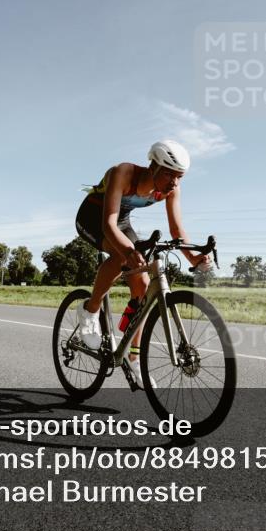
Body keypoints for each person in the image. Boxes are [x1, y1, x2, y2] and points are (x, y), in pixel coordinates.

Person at [74, 140, 210, 389]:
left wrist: (194, 257)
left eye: (179, 177)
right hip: (95, 216)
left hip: (122, 222)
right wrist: (128, 251)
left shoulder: (171, 190)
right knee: (120, 255)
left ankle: (133, 356)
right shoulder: (123, 173)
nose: (174, 182)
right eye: (169, 174)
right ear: (153, 166)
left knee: (144, 286)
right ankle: (90, 310)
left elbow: (176, 229)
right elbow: (108, 226)